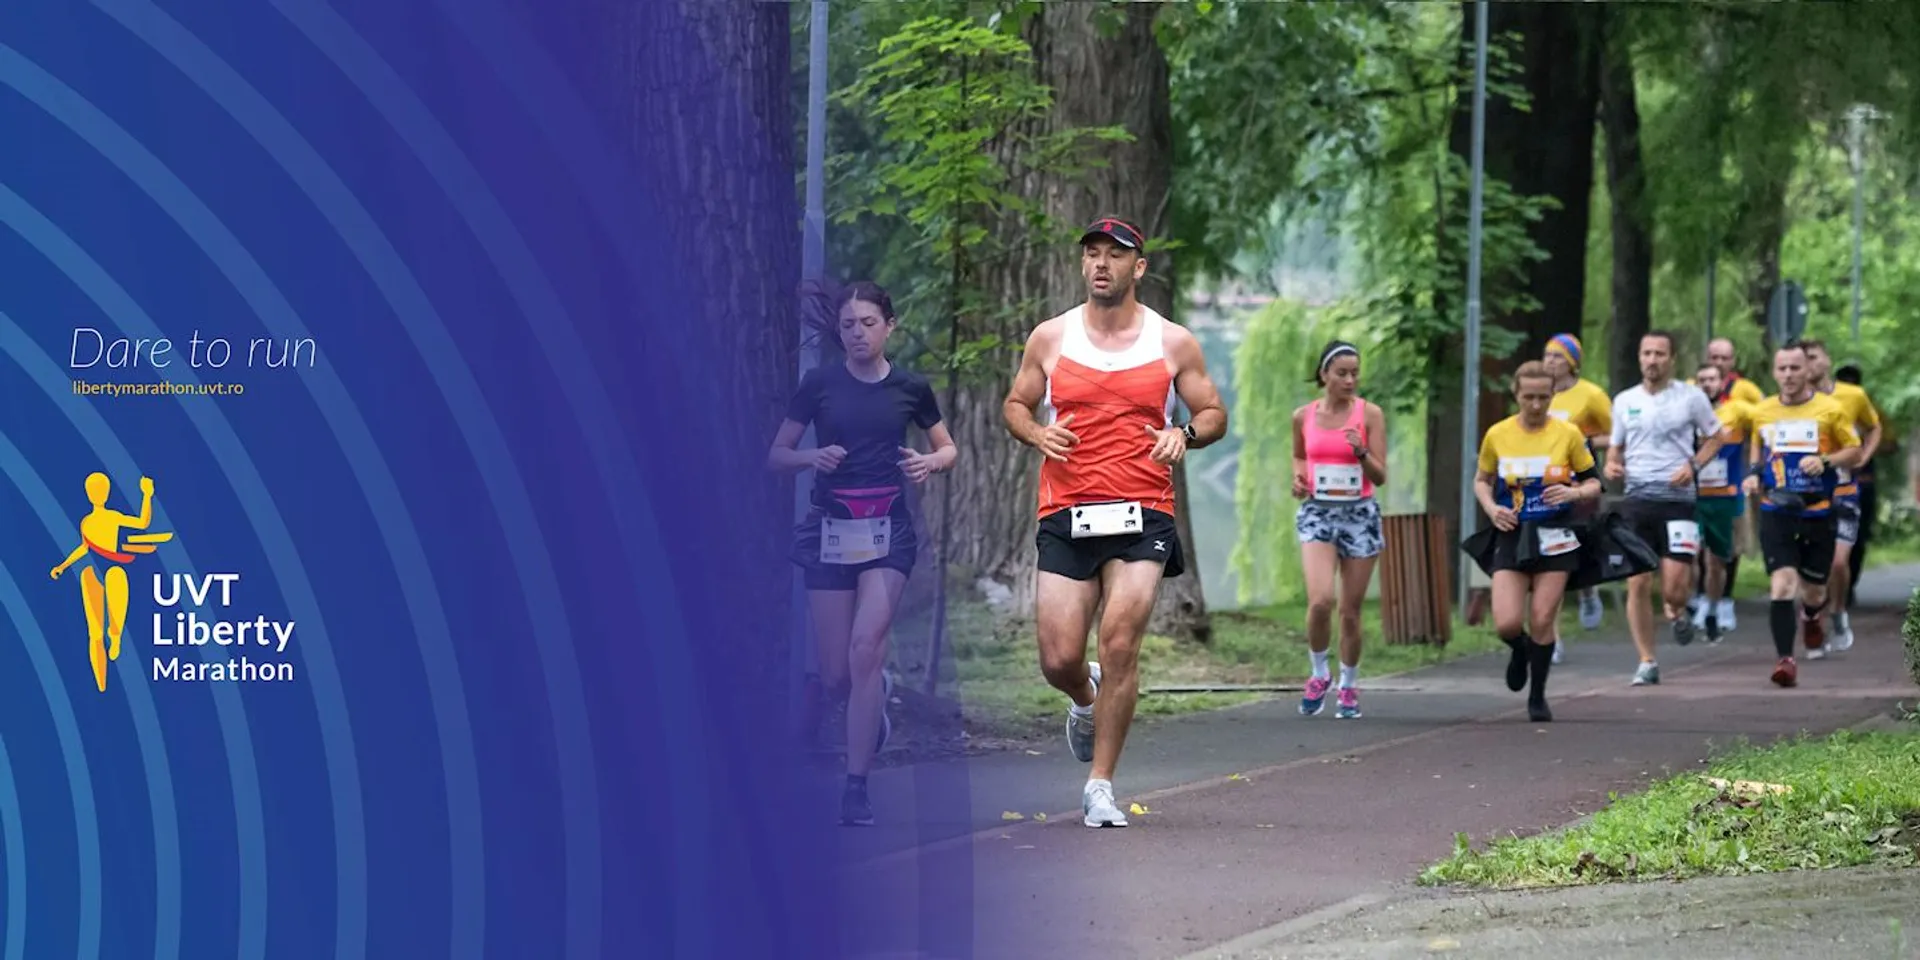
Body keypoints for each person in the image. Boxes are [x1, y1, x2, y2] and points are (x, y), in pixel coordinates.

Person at [1003, 215, 1227, 828]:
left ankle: (1100, 785)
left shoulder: (1172, 341)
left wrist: (1182, 434)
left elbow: (1212, 412)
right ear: (1083, 265)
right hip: (1067, 508)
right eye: (1093, 253)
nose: (1102, 263)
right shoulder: (1050, 337)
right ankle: (1083, 695)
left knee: (1121, 641)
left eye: (1115, 254)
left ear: (1139, 267)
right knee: (1057, 657)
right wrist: (1036, 430)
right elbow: (1016, 404)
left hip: (1142, 510)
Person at [769, 280, 958, 826]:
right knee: (836, 675)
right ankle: (872, 706)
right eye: (848, 325)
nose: (857, 333)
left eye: (868, 323)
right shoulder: (819, 385)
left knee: (864, 646)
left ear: (889, 326)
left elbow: (948, 447)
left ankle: (856, 789)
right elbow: (777, 454)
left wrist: (930, 463)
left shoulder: (910, 387)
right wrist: (812, 458)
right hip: (831, 531)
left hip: (887, 533)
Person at [1473, 361, 1603, 722]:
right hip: (1513, 533)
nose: (1535, 404)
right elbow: (1482, 480)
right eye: (1528, 397)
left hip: (1556, 536)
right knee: (1507, 623)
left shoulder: (1568, 434)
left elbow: (1594, 482)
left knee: (1543, 618)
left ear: (1553, 395)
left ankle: (1538, 696)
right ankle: (1519, 650)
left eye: (1543, 397)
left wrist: (1572, 494)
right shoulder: (1498, 434)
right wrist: (1490, 508)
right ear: (1516, 395)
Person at [1604, 331, 1726, 685]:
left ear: (1672, 359)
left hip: (1678, 500)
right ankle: (1647, 660)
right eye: (1646, 353)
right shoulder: (1624, 400)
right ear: (1639, 358)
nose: (1652, 360)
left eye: (1660, 353)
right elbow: (1616, 447)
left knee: (1674, 588)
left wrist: (1692, 466)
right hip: (1637, 500)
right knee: (1638, 581)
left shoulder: (1691, 398)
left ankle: (1676, 611)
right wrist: (1613, 464)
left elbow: (1719, 436)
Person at [1742, 341, 1863, 687]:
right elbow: (1758, 449)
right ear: (1774, 372)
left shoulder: (1831, 410)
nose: (1789, 375)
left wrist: (1825, 461)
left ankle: (1813, 616)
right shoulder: (1763, 411)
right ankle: (1785, 660)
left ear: (1807, 370)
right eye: (1782, 368)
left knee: (1814, 591)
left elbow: (1853, 451)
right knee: (1782, 585)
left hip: (1819, 510)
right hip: (1777, 508)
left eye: (1796, 368)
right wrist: (1752, 474)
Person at [1290, 340, 1388, 719]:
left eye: (1355, 373)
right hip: (1318, 512)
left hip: (1359, 514)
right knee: (1319, 602)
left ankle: (1348, 683)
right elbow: (1300, 456)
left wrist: (1361, 452)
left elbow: (1380, 475)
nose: (1350, 380)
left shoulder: (1370, 414)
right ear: (1324, 374)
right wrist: (1299, 479)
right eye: (1342, 373)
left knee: (1349, 610)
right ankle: (1319, 673)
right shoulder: (1303, 416)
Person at [1802, 339, 1881, 655]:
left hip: (1844, 489)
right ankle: (1813, 622)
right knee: (1807, 566)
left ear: (1827, 360)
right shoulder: (1792, 401)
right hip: (1806, 491)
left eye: (1813, 357)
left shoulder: (1853, 395)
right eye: (1802, 359)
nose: (1808, 364)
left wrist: (1864, 455)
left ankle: (1838, 611)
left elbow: (1873, 428)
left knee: (1836, 564)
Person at [1543, 333, 1612, 649]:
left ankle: (1587, 592)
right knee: (1551, 559)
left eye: (1557, 357)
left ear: (1571, 363)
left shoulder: (1591, 395)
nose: (1550, 362)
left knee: (1580, 547)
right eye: (1547, 356)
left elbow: (1615, 436)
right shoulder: (1539, 394)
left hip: (1581, 483)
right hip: (1545, 485)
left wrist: (1583, 442)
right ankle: (1550, 637)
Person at [1699, 337, 1766, 628]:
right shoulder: (1692, 390)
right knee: (1696, 549)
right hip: (1698, 484)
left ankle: (1724, 599)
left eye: (1724, 358)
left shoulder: (1744, 393)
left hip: (1733, 475)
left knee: (1731, 542)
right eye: (1713, 357)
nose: (1718, 363)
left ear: (1733, 361)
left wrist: (1756, 466)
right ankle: (1701, 598)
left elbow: (1765, 421)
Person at [1689, 362, 1753, 644]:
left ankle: (1715, 606)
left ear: (1722, 383)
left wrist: (1755, 469)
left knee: (1716, 559)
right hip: (1692, 496)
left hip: (1726, 495)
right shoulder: (1686, 413)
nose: (1707, 384)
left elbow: (1766, 421)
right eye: (1702, 379)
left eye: (1712, 379)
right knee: (1689, 555)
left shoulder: (1736, 410)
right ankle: (1695, 601)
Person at [1835, 364, 1887, 608]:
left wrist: (1864, 453)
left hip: (1862, 482)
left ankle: (1848, 585)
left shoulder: (1870, 410)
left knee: (1858, 537)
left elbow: (1888, 441)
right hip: (1833, 482)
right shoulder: (1826, 407)